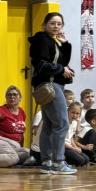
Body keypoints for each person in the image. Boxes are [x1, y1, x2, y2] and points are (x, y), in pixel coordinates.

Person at [28, 12, 75, 174]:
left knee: (48, 124)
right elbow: (40, 64)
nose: (56, 26)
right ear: (45, 24)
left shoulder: (52, 41)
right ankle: (58, 162)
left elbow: (63, 62)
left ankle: (47, 162)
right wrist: (62, 69)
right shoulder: (42, 39)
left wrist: (65, 44)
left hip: (53, 84)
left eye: (59, 24)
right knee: (62, 124)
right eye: (52, 23)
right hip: (49, 85)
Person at [0, 86, 30, 167]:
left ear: (20, 98)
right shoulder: (2, 109)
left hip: (13, 146)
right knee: (13, 157)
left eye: (15, 94)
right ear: (6, 98)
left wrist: (21, 146)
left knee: (29, 153)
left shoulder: (21, 112)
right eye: (9, 95)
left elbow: (21, 134)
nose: (12, 96)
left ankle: (6, 159)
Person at [64, 100, 89, 167]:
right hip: (63, 147)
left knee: (86, 159)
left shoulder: (74, 123)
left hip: (70, 146)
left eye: (77, 113)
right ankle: (63, 161)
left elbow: (71, 137)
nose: (75, 115)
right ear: (68, 111)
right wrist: (73, 148)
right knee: (80, 160)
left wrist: (75, 147)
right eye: (73, 112)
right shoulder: (64, 123)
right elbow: (61, 141)